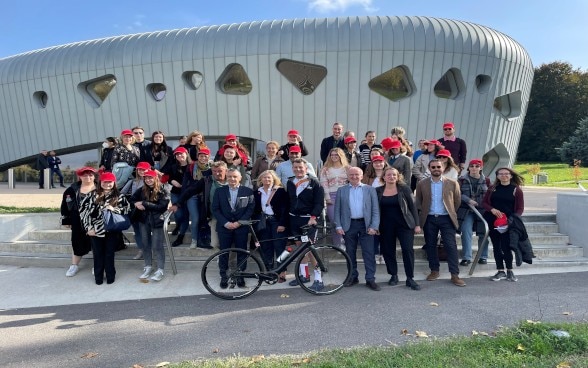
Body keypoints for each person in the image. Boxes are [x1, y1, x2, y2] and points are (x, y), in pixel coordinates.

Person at [415, 159, 465, 287]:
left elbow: (457, 201)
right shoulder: (422, 183)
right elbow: (419, 201)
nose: (436, 169)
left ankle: (454, 274)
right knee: (430, 245)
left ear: (443, 168)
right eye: (433, 167)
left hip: (446, 219)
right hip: (429, 218)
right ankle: (434, 270)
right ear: (429, 168)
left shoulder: (453, 183)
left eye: (438, 166)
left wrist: (450, 212)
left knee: (450, 245)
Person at [80, 171, 131, 285]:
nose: (107, 184)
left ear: (114, 183)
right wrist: (89, 228)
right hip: (95, 230)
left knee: (109, 254)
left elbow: (127, 209)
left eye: (110, 182)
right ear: (100, 182)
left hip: (112, 229)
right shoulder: (92, 195)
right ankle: (98, 277)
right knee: (98, 254)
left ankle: (110, 275)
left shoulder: (119, 196)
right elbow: (84, 212)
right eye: (105, 182)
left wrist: (115, 209)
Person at [334, 167, 381, 291]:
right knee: (350, 253)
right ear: (347, 176)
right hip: (349, 225)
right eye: (351, 175)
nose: (354, 177)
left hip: (366, 225)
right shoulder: (341, 190)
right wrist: (338, 225)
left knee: (369, 253)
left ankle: (370, 279)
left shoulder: (370, 190)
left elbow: (375, 210)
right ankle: (353, 277)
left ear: (361, 176)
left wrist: (374, 226)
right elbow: (337, 210)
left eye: (357, 174)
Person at [376, 167, 421, 290]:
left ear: (397, 177)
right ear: (384, 177)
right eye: (389, 175)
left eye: (394, 175)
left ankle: (410, 278)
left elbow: (413, 207)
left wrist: (417, 224)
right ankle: (393, 275)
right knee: (388, 251)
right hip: (385, 226)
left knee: (407, 250)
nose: (391, 177)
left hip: (405, 225)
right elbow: (374, 210)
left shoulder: (405, 189)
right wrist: (375, 226)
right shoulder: (378, 191)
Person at [211, 168, 255, 288]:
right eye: (230, 176)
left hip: (241, 227)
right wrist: (225, 223)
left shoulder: (248, 191)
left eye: (235, 176)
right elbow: (215, 209)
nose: (232, 179)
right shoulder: (219, 191)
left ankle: (240, 275)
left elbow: (250, 208)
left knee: (242, 252)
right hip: (224, 227)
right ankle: (224, 276)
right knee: (224, 252)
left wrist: (239, 222)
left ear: (240, 178)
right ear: (227, 177)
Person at [171, 161, 229, 250]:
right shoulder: (207, 180)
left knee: (228, 243)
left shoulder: (232, 180)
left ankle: (229, 262)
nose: (217, 173)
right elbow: (190, 191)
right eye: (214, 171)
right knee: (214, 244)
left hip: (229, 217)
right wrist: (177, 204)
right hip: (214, 216)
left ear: (226, 171)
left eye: (220, 171)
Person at [286, 159, 325, 289]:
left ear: (306, 168)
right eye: (295, 167)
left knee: (310, 249)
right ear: (292, 169)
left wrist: (313, 217)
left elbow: (319, 203)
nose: (298, 170)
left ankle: (319, 278)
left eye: (300, 167)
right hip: (294, 220)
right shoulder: (290, 182)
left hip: (308, 220)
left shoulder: (315, 183)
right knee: (300, 249)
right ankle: (305, 275)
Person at [482, 167, 525, 282]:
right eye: (501, 174)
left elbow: (520, 208)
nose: (504, 176)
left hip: (508, 223)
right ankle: (500, 270)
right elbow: (484, 203)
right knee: (496, 246)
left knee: (506, 246)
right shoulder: (492, 188)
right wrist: (492, 209)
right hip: (493, 221)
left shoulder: (516, 190)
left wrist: (513, 219)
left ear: (511, 176)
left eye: (506, 174)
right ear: (497, 176)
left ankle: (510, 271)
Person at [131, 170, 170, 282]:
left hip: (157, 221)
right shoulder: (142, 190)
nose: (148, 180)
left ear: (156, 178)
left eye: (150, 178)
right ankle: (148, 266)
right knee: (145, 244)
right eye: (146, 178)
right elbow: (132, 199)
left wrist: (144, 203)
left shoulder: (163, 190)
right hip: (144, 220)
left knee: (157, 245)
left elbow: (162, 206)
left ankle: (160, 269)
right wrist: (136, 204)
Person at [60, 166, 97, 277]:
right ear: (80, 176)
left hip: (96, 221)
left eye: (91, 175)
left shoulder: (100, 187)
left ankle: (97, 265)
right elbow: (65, 206)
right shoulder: (71, 190)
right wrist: (66, 220)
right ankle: (74, 265)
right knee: (77, 243)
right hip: (78, 221)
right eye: (85, 175)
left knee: (97, 243)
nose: (88, 177)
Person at [253, 170, 289, 280]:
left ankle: (282, 270)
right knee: (266, 247)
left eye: (269, 178)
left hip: (276, 221)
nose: (267, 180)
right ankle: (269, 271)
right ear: (261, 180)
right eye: (264, 178)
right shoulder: (257, 192)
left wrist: (282, 223)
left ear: (274, 179)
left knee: (280, 247)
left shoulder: (280, 191)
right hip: (264, 222)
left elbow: (285, 208)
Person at [458, 159, 490, 266]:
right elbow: (457, 194)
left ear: (481, 168)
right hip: (466, 210)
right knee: (466, 232)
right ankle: (467, 257)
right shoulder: (461, 180)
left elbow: (490, 195)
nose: (474, 168)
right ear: (469, 168)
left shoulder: (487, 181)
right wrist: (468, 200)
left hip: (482, 210)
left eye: (477, 166)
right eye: (472, 166)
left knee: (483, 233)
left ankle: (483, 256)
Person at [181, 147, 213, 249]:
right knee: (195, 219)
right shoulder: (191, 167)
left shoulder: (212, 168)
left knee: (205, 219)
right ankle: (194, 240)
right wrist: (183, 196)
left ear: (209, 157)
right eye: (201, 156)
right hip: (192, 195)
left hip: (206, 197)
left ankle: (204, 239)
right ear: (198, 157)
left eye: (205, 156)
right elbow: (185, 182)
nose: (203, 158)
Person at [120, 161, 151, 259]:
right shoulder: (132, 181)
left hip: (149, 209)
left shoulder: (153, 180)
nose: (141, 171)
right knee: (137, 231)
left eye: (144, 169)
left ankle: (149, 250)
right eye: (140, 169)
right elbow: (121, 194)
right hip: (135, 209)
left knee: (147, 231)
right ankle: (141, 250)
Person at [320, 147, 349, 248]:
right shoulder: (325, 169)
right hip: (331, 196)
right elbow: (324, 184)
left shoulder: (347, 168)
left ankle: (347, 241)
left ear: (340, 156)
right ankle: (338, 243)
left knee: (345, 219)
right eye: (332, 155)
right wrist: (327, 198)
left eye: (336, 155)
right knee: (334, 220)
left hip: (345, 196)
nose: (334, 157)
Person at [163, 146, 191, 247]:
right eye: (177, 154)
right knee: (178, 214)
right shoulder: (173, 166)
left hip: (188, 194)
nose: (179, 156)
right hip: (176, 192)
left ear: (186, 154)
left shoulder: (191, 166)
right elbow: (167, 177)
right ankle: (178, 224)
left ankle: (181, 236)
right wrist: (172, 181)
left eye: (181, 154)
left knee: (185, 215)